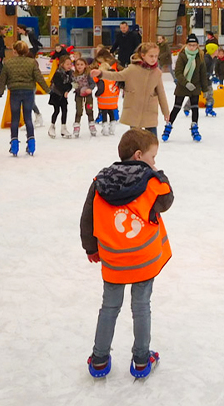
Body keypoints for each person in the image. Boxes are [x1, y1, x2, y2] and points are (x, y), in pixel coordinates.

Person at [80, 128, 171, 379]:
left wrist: (91, 247)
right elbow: (167, 200)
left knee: (109, 307)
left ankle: (99, 359)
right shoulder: (151, 182)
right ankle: (141, 360)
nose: (155, 163)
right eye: (153, 158)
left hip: (114, 259)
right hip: (143, 258)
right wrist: (156, 174)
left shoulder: (100, 182)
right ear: (139, 155)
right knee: (141, 306)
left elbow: (87, 217)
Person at [91, 43, 170, 136]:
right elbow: (117, 75)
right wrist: (101, 73)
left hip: (150, 110)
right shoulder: (132, 69)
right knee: (135, 140)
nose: (154, 59)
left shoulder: (157, 73)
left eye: (156, 56)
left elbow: (161, 93)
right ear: (143, 55)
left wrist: (166, 112)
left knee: (152, 140)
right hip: (134, 109)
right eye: (151, 56)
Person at [0, 41, 51, 156]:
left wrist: (1, 91)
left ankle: (14, 145)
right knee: (28, 119)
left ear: (14, 51)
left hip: (15, 92)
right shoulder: (31, 63)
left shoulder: (8, 63)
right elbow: (39, 77)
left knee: (15, 119)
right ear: (26, 51)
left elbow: (2, 78)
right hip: (28, 92)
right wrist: (47, 90)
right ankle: (31, 145)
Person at [163, 35, 209, 143]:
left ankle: (195, 127)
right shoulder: (182, 56)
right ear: (186, 45)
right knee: (177, 107)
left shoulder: (200, 57)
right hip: (183, 85)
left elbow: (203, 74)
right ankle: (168, 126)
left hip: (195, 85)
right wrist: (186, 83)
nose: (192, 47)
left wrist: (205, 89)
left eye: (194, 45)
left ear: (197, 45)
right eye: (190, 45)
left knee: (194, 107)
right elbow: (178, 73)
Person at [94, 48, 122, 135]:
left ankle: (105, 127)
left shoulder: (103, 77)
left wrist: (96, 94)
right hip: (113, 98)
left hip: (104, 99)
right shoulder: (113, 73)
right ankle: (112, 125)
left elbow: (101, 89)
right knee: (112, 111)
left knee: (104, 112)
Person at [48, 56, 74, 139]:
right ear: (62, 64)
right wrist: (66, 89)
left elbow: (71, 84)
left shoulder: (71, 73)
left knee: (65, 110)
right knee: (56, 110)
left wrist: (67, 90)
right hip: (56, 94)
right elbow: (59, 85)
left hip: (63, 95)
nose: (69, 66)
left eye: (70, 64)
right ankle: (52, 126)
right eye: (67, 64)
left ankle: (63, 128)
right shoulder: (58, 73)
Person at [72, 57, 98, 138]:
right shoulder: (73, 75)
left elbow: (93, 83)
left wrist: (90, 89)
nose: (79, 66)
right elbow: (72, 83)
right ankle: (76, 126)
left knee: (89, 109)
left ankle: (92, 125)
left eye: (81, 64)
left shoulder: (88, 74)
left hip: (88, 95)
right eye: (78, 65)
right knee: (79, 110)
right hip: (78, 95)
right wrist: (75, 87)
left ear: (85, 66)